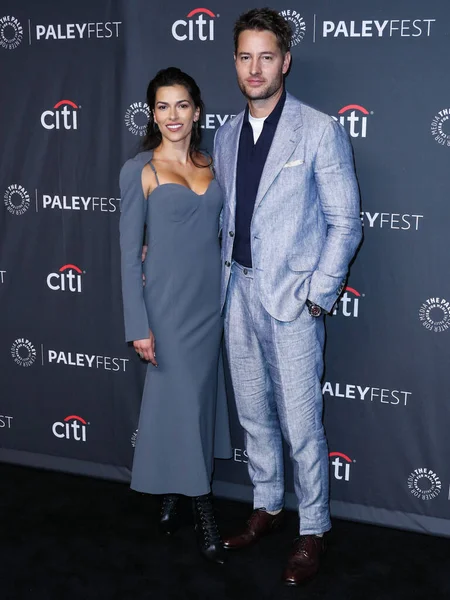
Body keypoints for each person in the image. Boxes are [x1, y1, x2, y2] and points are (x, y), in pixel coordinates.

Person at [214, 8, 362, 584]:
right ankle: (269, 506)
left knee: (301, 423)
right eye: (245, 57)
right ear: (235, 62)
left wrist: (318, 295)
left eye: (266, 56)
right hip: (237, 295)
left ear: (286, 61)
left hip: (293, 300)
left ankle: (313, 528)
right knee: (253, 415)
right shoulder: (225, 134)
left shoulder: (318, 129)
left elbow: (346, 222)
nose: (255, 68)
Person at [119, 67, 231, 565]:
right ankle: (204, 511)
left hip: (211, 306)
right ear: (153, 113)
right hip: (165, 309)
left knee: (197, 403)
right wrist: (137, 325)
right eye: (162, 106)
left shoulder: (214, 163)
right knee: (184, 401)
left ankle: (172, 496)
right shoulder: (141, 170)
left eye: (181, 105)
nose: (172, 116)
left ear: (197, 110)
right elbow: (126, 256)